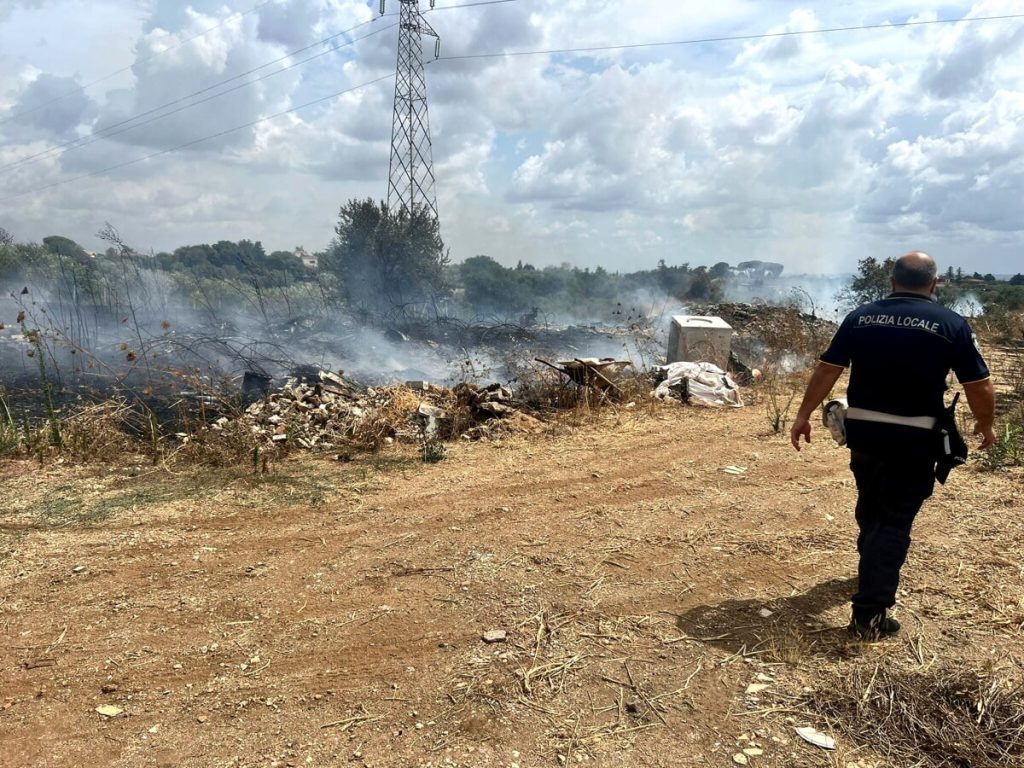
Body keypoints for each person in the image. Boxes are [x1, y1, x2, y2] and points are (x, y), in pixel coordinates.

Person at [790, 252, 996, 639]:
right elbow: (978, 385)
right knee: (894, 520)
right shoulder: (951, 324)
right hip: (916, 437)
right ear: (934, 284)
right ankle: (869, 614)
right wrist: (986, 425)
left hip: (865, 432)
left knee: (871, 503)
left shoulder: (860, 317)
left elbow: (827, 368)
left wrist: (802, 415)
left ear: (891, 281)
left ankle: (871, 563)